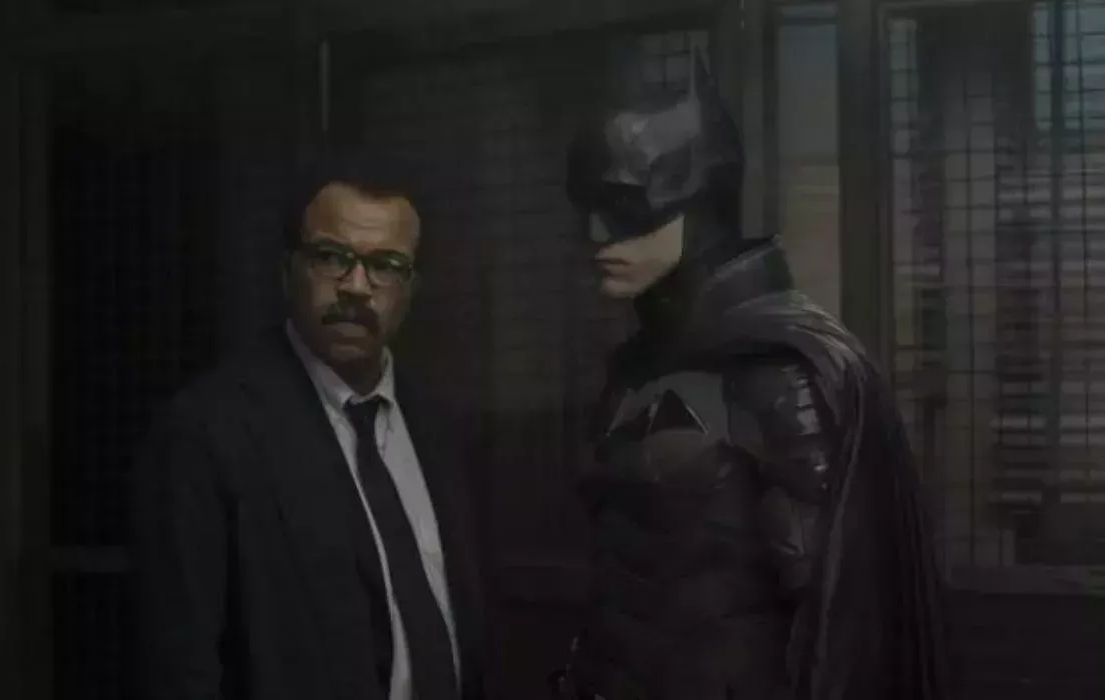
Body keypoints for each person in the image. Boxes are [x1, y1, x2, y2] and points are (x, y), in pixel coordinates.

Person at [548, 55, 952, 700]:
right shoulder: (636, 368)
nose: (597, 232)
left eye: (625, 206)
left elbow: (841, 629)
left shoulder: (781, 370)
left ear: (700, 199)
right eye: (590, 205)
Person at [129, 153, 490, 700]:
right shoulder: (208, 432)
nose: (357, 287)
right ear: (287, 270)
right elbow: (180, 669)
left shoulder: (442, 426)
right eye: (331, 257)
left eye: (386, 264)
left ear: (412, 287)